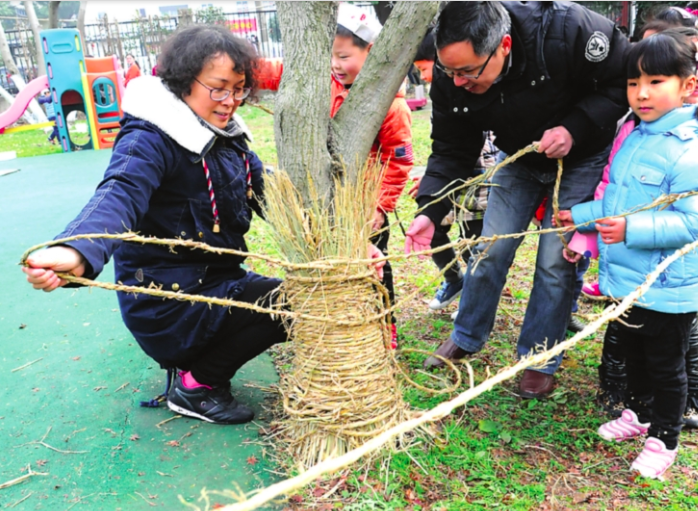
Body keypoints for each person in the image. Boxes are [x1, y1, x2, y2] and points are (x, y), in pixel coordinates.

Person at [22, 25, 287, 426]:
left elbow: (272, 196)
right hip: (169, 303)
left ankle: (200, 364)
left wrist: (335, 235)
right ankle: (197, 386)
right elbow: (120, 192)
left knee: (303, 298)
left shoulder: (227, 138)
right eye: (218, 88)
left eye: (238, 89)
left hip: (215, 285)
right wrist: (76, 250)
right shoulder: (149, 138)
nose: (230, 101)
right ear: (183, 82)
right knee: (286, 304)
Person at [404, 2, 630, 399]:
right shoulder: (450, 75)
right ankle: (467, 335)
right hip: (520, 156)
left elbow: (620, 84)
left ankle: (539, 357)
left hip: (581, 155)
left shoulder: (571, 30)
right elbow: (451, 148)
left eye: (469, 72)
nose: (457, 82)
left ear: (504, 45)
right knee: (491, 248)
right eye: (450, 71)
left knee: (554, 261)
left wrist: (574, 128)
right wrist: (432, 209)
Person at [559, 32, 698, 478]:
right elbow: (616, 202)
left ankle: (665, 439)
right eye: (633, 82)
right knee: (634, 354)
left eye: (656, 81)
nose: (641, 93)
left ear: (688, 87)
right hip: (627, 281)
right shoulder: (632, 134)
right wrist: (578, 216)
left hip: (667, 286)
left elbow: (692, 223)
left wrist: (632, 229)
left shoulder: (688, 150)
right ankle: (637, 416)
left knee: (666, 367)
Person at [331, 3, 413, 348]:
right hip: (333, 201)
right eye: (331, 56)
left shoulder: (390, 106)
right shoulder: (329, 88)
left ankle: (384, 324)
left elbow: (399, 162)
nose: (336, 64)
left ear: (371, 51)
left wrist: (379, 206)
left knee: (376, 267)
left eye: (344, 56)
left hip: (367, 209)